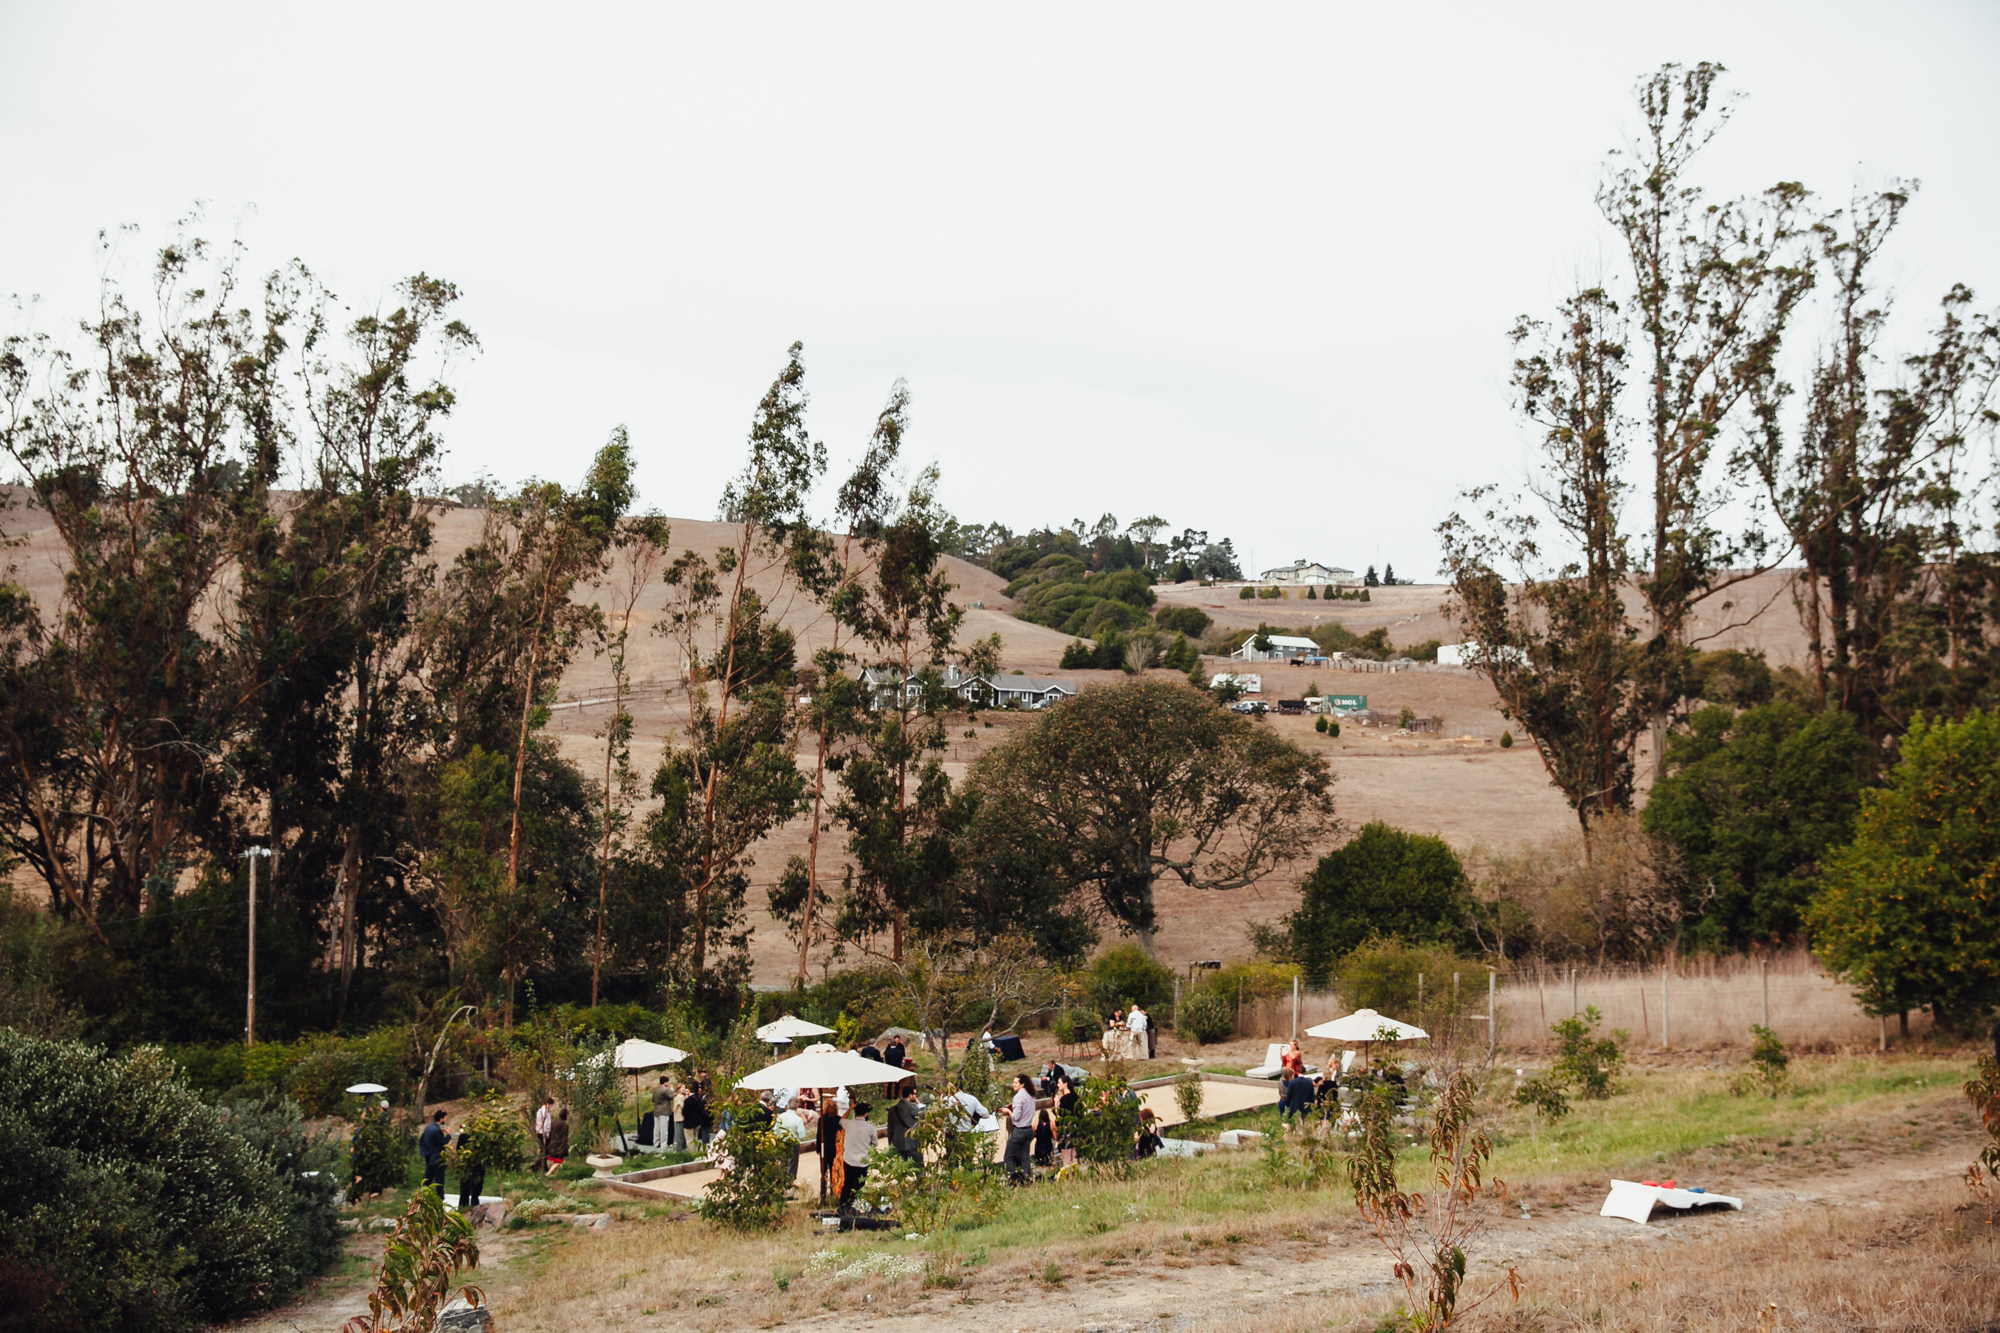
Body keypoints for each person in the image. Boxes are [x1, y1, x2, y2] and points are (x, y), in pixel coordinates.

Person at [838, 1100, 878, 1213]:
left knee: (847, 1184)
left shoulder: (848, 1124)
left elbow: (841, 1120)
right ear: (865, 1114)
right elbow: (875, 1143)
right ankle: (858, 1207)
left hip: (849, 1159)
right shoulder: (870, 1128)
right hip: (863, 1161)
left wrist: (850, 1108)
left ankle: (843, 1205)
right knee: (860, 1186)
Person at [1004, 1073, 1037, 1185]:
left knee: (1008, 1156)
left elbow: (1016, 1117)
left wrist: (1008, 1111)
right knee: (1025, 1156)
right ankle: (1027, 1178)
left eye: (1016, 1083)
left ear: (1022, 1084)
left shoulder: (1018, 1097)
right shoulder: (1031, 1095)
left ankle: (1012, 1178)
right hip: (1029, 1128)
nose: (1014, 1085)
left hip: (1019, 1129)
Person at [816, 1095, 842, 1205]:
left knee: (823, 1171)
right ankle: (833, 1192)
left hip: (824, 1147)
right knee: (834, 1171)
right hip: (835, 1148)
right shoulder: (838, 1119)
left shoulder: (821, 1119)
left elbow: (819, 1135)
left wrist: (818, 1148)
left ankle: (823, 1194)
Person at [888, 1082, 922, 1164]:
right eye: (915, 1094)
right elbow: (925, 1114)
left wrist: (891, 1145)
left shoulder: (892, 1109)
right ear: (910, 1095)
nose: (916, 1096)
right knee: (919, 1169)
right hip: (912, 1143)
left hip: (898, 1143)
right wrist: (919, 1104)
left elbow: (890, 1129)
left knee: (902, 1171)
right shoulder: (913, 1107)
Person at [454, 1122, 485, 1209]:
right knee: (476, 1188)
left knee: (464, 1188)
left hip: (466, 1166)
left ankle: (463, 1206)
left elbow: (458, 1150)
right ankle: (474, 1205)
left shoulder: (463, 1137)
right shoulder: (480, 1138)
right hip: (478, 1166)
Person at [418, 1110, 449, 1194]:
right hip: (437, 1157)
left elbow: (421, 1140)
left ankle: (422, 1194)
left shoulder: (428, 1127)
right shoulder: (437, 1130)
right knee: (439, 1179)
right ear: (441, 1119)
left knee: (428, 1178)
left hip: (429, 1156)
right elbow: (443, 1143)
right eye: (445, 1118)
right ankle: (440, 1196)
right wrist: (449, 1135)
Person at [651, 1076, 675, 1148]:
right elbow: (670, 1097)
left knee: (656, 1128)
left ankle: (655, 1143)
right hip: (664, 1111)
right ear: (665, 1082)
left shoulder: (655, 1090)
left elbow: (653, 1100)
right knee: (663, 1129)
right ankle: (663, 1144)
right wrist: (672, 1089)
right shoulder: (664, 1090)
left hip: (656, 1110)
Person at [544, 1107, 571, 1174]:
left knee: (555, 1161)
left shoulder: (553, 1123)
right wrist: (563, 1147)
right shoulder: (565, 1125)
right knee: (559, 1161)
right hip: (559, 1146)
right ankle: (548, 1174)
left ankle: (554, 1174)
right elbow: (565, 1137)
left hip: (552, 1144)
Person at [534, 1096, 555, 1170]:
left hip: (540, 1131)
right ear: (548, 1104)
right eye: (551, 1105)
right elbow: (546, 1125)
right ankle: (537, 1165)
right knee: (545, 1151)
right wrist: (547, 1134)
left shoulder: (539, 1111)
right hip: (544, 1133)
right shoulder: (544, 1113)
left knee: (543, 1150)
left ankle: (543, 1166)